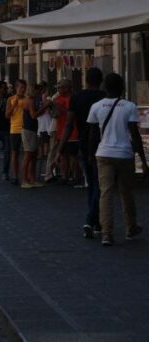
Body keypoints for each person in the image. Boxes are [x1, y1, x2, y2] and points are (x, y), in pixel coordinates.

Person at [87, 73, 148, 246]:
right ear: (122, 87)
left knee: (105, 193)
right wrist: (143, 161)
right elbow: (135, 135)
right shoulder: (129, 106)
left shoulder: (96, 106)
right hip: (124, 154)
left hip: (103, 153)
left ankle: (106, 234)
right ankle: (130, 227)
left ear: (104, 87)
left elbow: (93, 135)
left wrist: (91, 155)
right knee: (126, 192)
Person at [59, 68, 106, 239]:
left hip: (84, 144)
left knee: (92, 184)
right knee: (100, 185)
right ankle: (91, 220)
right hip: (102, 145)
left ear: (86, 80)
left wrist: (60, 147)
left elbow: (69, 124)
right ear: (100, 80)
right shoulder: (105, 98)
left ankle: (95, 221)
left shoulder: (76, 98)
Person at [54, 79, 81, 186]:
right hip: (60, 131)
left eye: (60, 87)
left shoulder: (73, 99)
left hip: (72, 132)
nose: (58, 89)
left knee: (73, 156)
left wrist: (58, 107)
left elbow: (71, 114)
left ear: (66, 88)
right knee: (62, 155)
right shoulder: (57, 99)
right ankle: (64, 176)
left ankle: (75, 176)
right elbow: (54, 114)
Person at [21, 84, 49, 188]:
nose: (39, 93)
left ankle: (32, 179)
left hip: (32, 129)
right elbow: (33, 115)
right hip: (28, 130)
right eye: (37, 91)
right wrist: (44, 107)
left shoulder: (32, 100)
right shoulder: (30, 100)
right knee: (28, 155)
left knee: (33, 155)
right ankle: (24, 180)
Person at [6, 80, 27, 185]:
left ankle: (25, 175)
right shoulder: (11, 99)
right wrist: (14, 105)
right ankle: (15, 175)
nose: (23, 90)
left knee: (27, 153)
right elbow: (7, 115)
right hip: (15, 129)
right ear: (16, 88)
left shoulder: (27, 100)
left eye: (24, 87)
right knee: (15, 153)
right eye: (21, 87)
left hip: (26, 129)